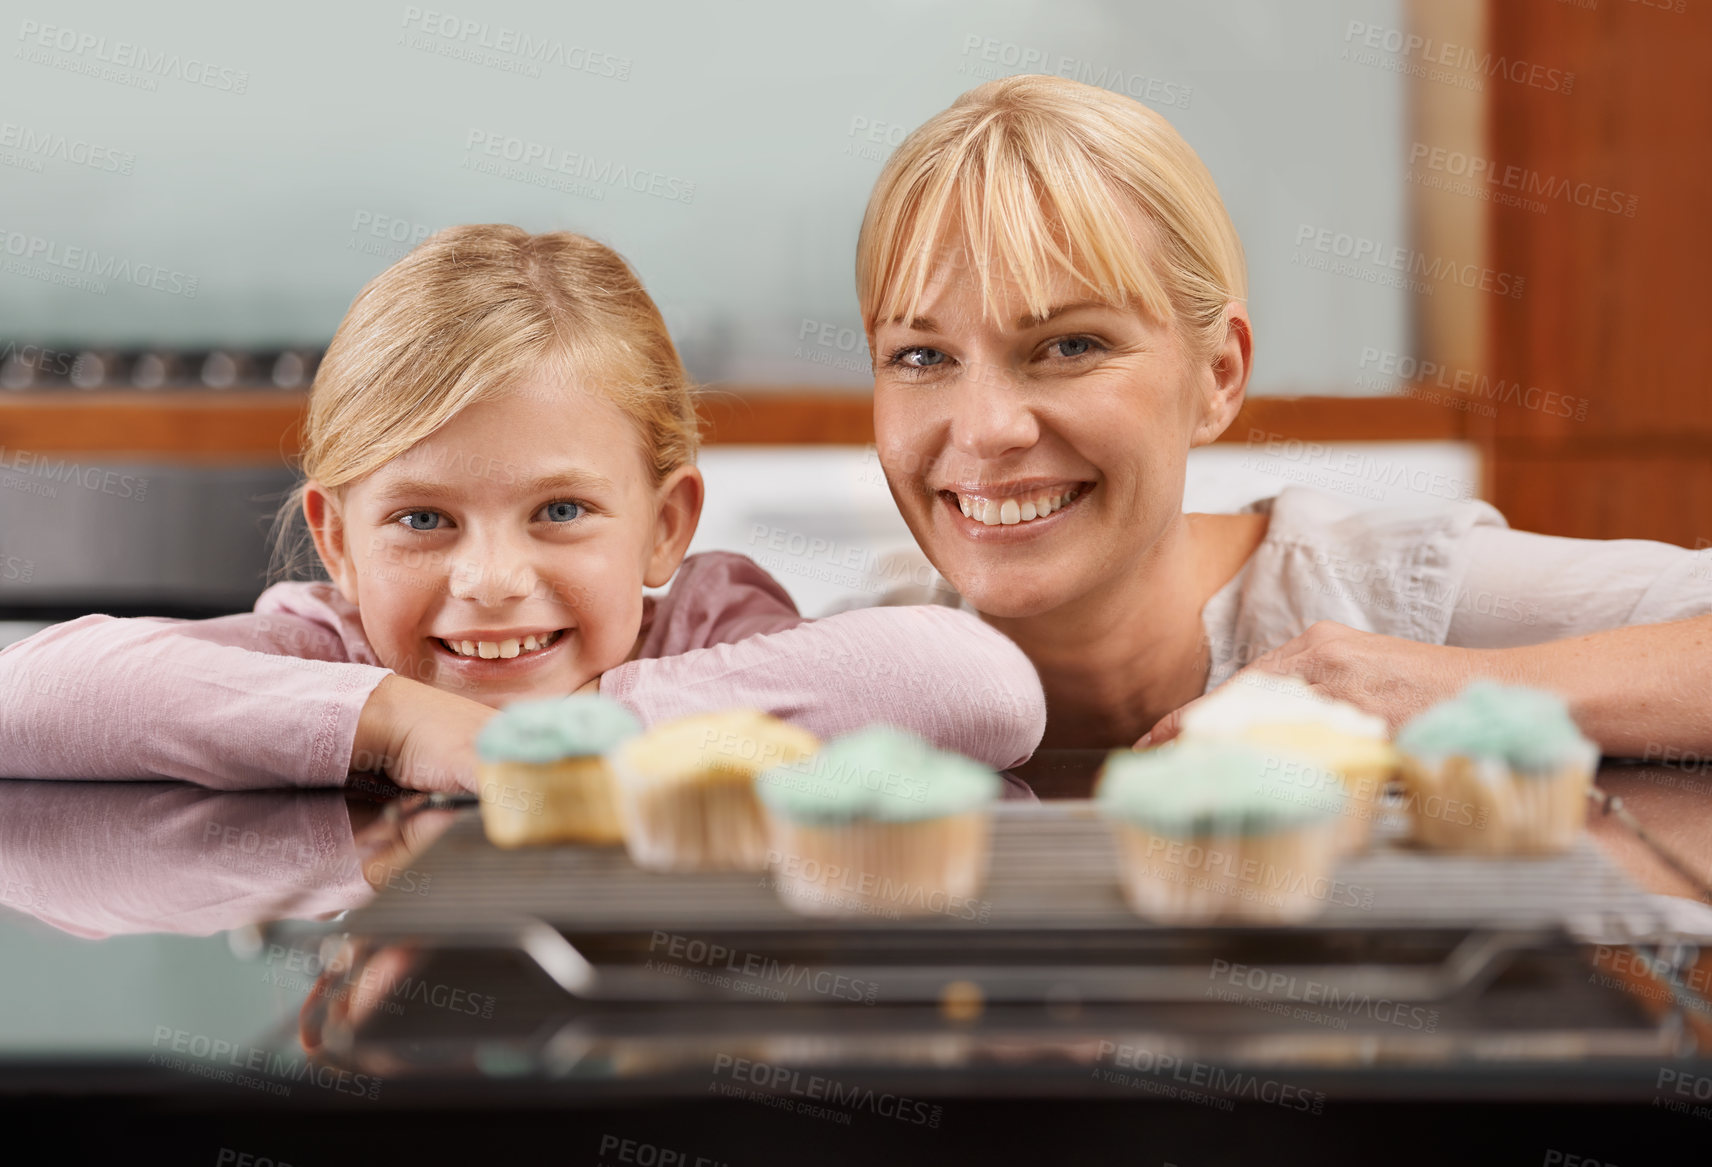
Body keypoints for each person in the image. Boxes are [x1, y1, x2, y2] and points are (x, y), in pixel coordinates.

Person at [0, 226, 1044, 791]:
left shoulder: (709, 631)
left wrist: (553, 739)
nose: (491, 581)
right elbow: (26, 699)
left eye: (558, 512)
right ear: (335, 542)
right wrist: (399, 724)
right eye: (421, 520)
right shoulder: (336, 651)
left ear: (667, 524)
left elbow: (980, 685)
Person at [855, 75, 1711, 752]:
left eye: (1071, 346)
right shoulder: (857, 666)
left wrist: (1456, 690)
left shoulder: (1385, 595)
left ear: (1219, 375)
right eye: (921, 356)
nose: (986, 428)